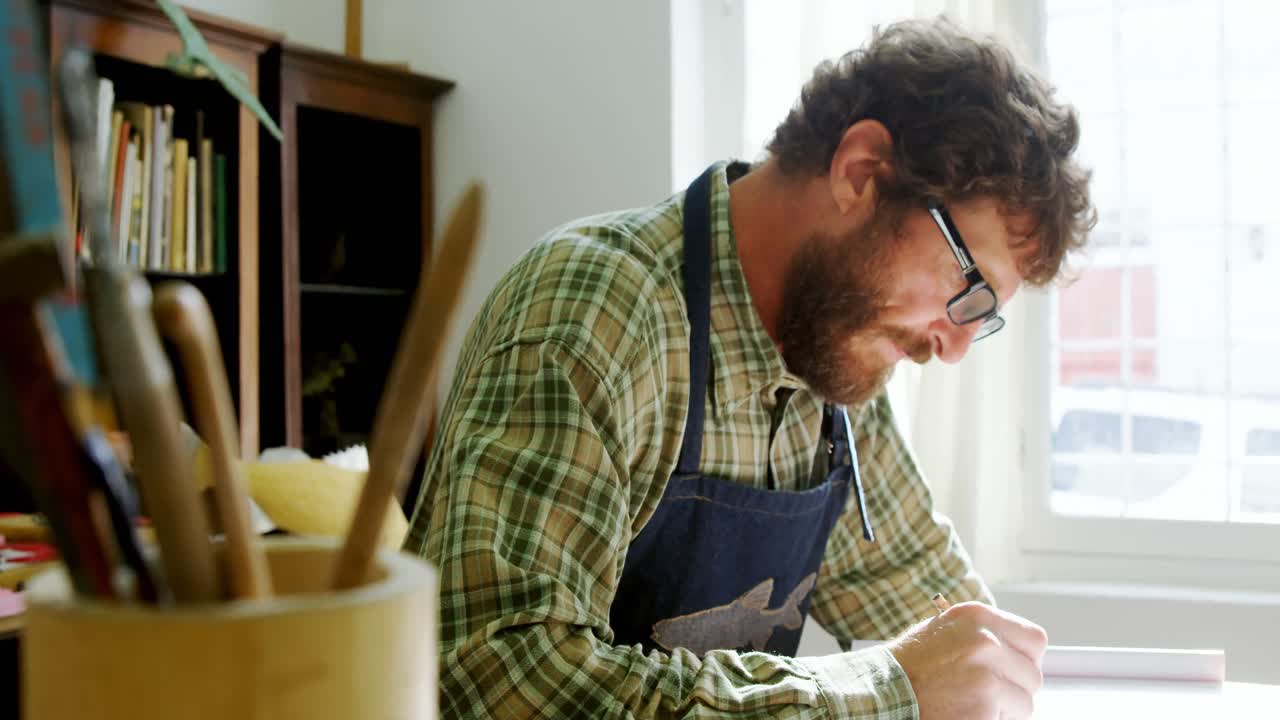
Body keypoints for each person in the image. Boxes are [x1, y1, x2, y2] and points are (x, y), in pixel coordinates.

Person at [405, 16, 1094, 719]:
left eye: (983, 318)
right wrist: (881, 696)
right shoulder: (596, 314)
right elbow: (497, 679)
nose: (951, 347)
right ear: (862, 174)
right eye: (967, 289)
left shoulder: (837, 359)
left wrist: (987, 677)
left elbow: (938, 619)